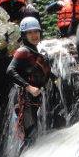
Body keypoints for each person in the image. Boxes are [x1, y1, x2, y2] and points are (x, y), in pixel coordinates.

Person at [7, 17, 52, 147]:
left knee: (33, 133)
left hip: (34, 100)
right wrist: (28, 87)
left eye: (36, 31)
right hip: (24, 100)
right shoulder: (23, 51)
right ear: (24, 35)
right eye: (30, 32)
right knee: (30, 135)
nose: (34, 35)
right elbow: (10, 70)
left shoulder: (36, 52)